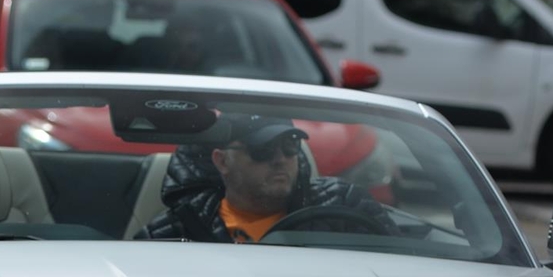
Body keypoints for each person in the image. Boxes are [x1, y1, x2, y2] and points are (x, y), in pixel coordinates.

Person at [146, 114, 392, 243]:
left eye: (289, 145)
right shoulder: (174, 231)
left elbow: (402, 264)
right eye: (261, 149)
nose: (279, 159)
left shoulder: (346, 204)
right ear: (222, 161)